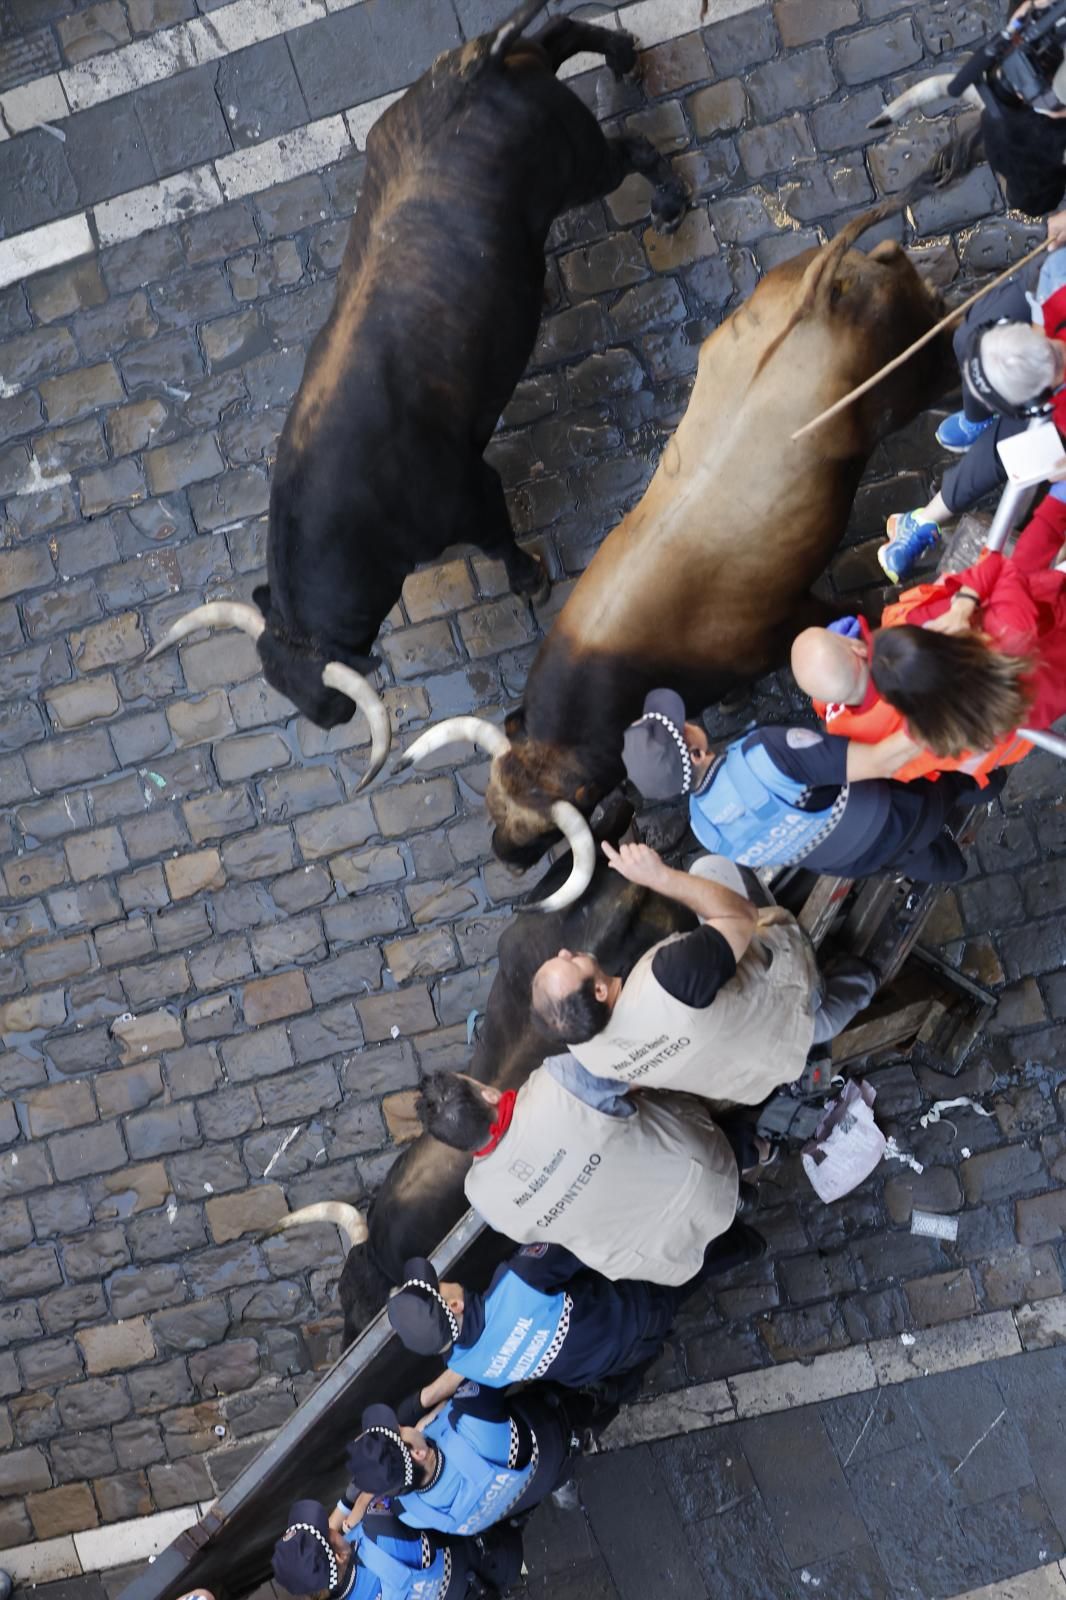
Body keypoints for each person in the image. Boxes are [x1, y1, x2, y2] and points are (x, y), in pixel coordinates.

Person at [528, 843, 877, 1106]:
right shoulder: (670, 976)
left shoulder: (588, 1053)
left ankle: (861, 983)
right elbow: (740, 916)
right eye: (569, 963)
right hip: (794, 1008)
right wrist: (659, 877)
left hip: (761, 1069)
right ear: (600, 993)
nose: (564, 952)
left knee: (858, 984)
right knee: (710, 866)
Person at [792, 503, 1066, 783]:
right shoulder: (1006, 628)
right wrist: (963, 601)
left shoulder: (926, 728)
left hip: (1030, 716)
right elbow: (1009, 562)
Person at [421, 1064, 759, 1286]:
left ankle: (745, 1231)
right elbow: (640, 1070)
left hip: (651, 1258)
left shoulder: (483, 1198)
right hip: (699, 1180)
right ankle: (756, 1155)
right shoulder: (556, 1082)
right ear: (489, 1094)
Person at [881, 210, 1066, 581]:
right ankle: (975, 417)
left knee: (1016, 445)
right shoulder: (1055, 276)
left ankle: (924, 519)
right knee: (967, 338)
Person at [621, 688, 973, 882]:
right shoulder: (766, 752)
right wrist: (938, 709)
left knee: (932, 862)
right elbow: (879, 759)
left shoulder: (705, 829)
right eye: (681, 726)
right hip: (901, 815)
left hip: (858, 862)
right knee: (961, 775)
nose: (689, 720)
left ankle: (948, 867)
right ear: (696, 754)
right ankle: (980, 784)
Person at [387, 1245, 690, 1405]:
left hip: (612, 1362)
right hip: (638, 1309)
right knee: (694, 1265)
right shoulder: (518, 1279)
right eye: (438, 1285)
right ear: (454, 1305)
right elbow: (582, 1237)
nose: (442, 1280)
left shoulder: (467, 1365)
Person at [341, 1392, 585, 1538]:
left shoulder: (411, 1514)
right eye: (400, 1430)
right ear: (417, 1453)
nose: (403, 1425)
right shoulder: (467, 1421)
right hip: (553, 1427)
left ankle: (561, 1485)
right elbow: (485, 1377)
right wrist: (436, 1415)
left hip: (538, 1482)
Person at [271, 1495, 519, 1600]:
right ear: (336, 1554)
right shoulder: (379, 1530)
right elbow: (390, 1486)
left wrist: (347, 1507)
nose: (328, 1522)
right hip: (495, 1555)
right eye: (326, 1529)